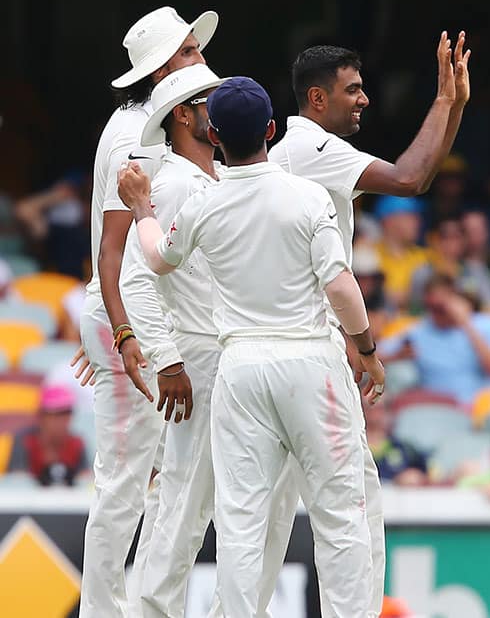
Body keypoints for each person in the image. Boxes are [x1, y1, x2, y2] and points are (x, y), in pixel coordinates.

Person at [116, 77, 386, 617]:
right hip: (309, 359)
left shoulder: (203, 204)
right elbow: (339, 285)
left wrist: (143, 208)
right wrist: (368, 349)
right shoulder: (305, 194)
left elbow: (156, 259)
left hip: (240, 367)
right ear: (270, 129)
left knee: (240, 520)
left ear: (213, 134)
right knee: (339, 512)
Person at [267, 35, 469, 615]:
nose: (364, 101)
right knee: (347, 505)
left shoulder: (286, 150)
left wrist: (451, 104)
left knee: (280, 515)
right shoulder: (311, 148)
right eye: (352, 90)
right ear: (316, 97)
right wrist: (443, 99)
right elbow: (411, 179)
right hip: (310, 349)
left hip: (280, 349)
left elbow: (417, 175)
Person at [77, 7, 217, 618]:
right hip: (138, 317)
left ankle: (144, 609)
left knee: (165, 480)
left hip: (148, 314)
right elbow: (117, 247)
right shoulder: (140, 134)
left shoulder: (145, 124)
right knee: (129, 483)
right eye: (189, 52)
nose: (202, 61)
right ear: (162, 69)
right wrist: (120, 328)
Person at [116, 63, 227, 618]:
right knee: (186, 503)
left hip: (219, 353)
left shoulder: (211, 179)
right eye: (210, 100)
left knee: (185, 502)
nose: (221, 108)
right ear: (184, 115)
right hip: (198, 356)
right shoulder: (177, 182)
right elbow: (136, 277)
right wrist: (169, 359)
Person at [383, 274, 490, 405]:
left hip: (480, 408)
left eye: (441, 307)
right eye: (432, 307)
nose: (437, 314)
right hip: (435, 409)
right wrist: (397, 356)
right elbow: (374, 356)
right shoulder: (418, 332)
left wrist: (466, 323)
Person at [8, 385, 89, 486]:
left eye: (67, 412)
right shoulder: (25, 441)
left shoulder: (76, 444)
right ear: (41, 416)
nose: (63, 419)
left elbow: (86, 481)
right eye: (57, 413)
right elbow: (16, 481)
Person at [364, 398, 430, 486]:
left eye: (379, 408)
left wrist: (415, 476)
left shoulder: (403, 449)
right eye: (369, 407)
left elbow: (427, 474)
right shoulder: (352, 450)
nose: (374, 414)